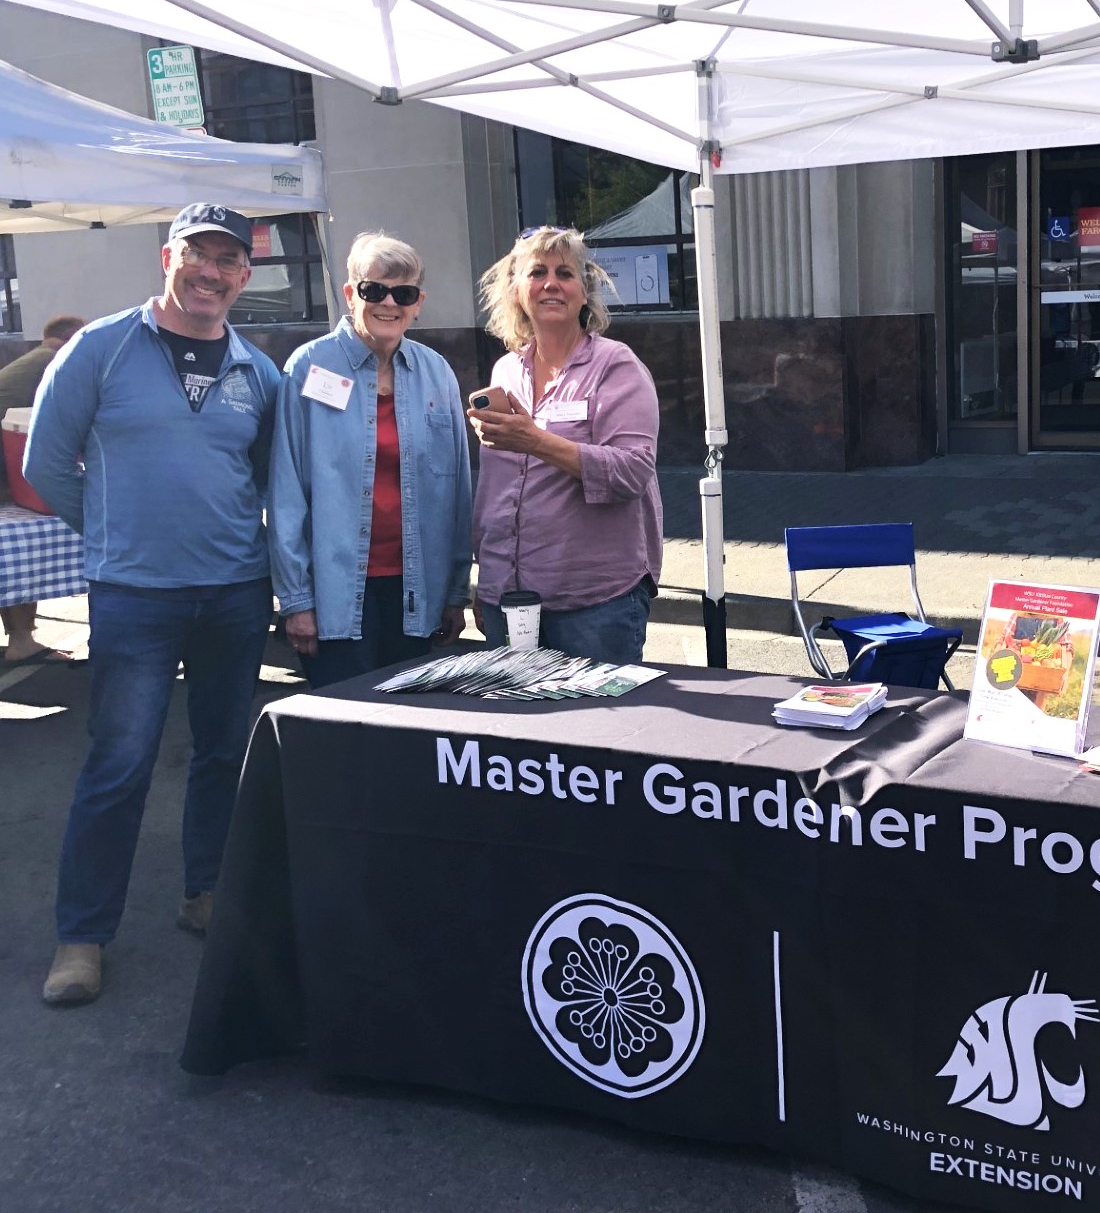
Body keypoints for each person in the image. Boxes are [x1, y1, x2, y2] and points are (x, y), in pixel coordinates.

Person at [23, 203, 281, 1006]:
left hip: (235, 590)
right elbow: (46, 462)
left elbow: (270, 479)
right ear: (167, 257)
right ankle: (82, 935)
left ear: (244, 274)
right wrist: (113, 534)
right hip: (134, 594)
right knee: (119, 762)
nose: (211, 272)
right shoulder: (100, 349)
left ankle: (205, 891)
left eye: (227, 261)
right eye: (197, 255)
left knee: (220, 753)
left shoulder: (257, 370)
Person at [270, 232, 472, 687]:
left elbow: (457, 491)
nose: (388, 303)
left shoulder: (437, 372)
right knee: (348, 732)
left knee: (414, 726)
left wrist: (455, 592)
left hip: (417, 590)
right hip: (336, 592)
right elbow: (286, 493)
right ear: (350, 294)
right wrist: (297, 600)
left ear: (418, 302)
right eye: (373, 289)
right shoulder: (308, 368)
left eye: (403, 293)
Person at [468, 227, 662, 662]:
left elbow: (632, 471)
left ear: (584, 292)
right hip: (509, 600)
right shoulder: (505, 372)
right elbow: (494, 490)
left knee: (601, 729)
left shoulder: (616, 366)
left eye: (565, 273)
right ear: (517, 291)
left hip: (594, 603)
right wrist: (487, 577)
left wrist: (535, 440)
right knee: (516, 725)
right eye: (537, 272)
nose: (551, 284)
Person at [0, 313, 85, 665]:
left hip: (9, 468)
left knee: (11, 559)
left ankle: (21, 638)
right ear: (71, 340)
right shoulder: (60, 362)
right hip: (10, 468)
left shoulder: (31, 361)